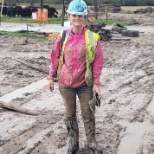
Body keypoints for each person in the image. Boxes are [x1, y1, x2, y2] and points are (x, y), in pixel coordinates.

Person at [47, 0, 103, 153]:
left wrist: (97, 83)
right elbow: (55, 57)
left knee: (88, 113)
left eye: (80, 15)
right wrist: (51, 77)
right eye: (74, 15)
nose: (77, 18)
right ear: (69, 16)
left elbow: (98, 62)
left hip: (85, 83)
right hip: (65, 84)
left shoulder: (93, 38)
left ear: (84, 17)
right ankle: (73, 142)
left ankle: (92, 143)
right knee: (69, 114)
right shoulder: (63, 36)